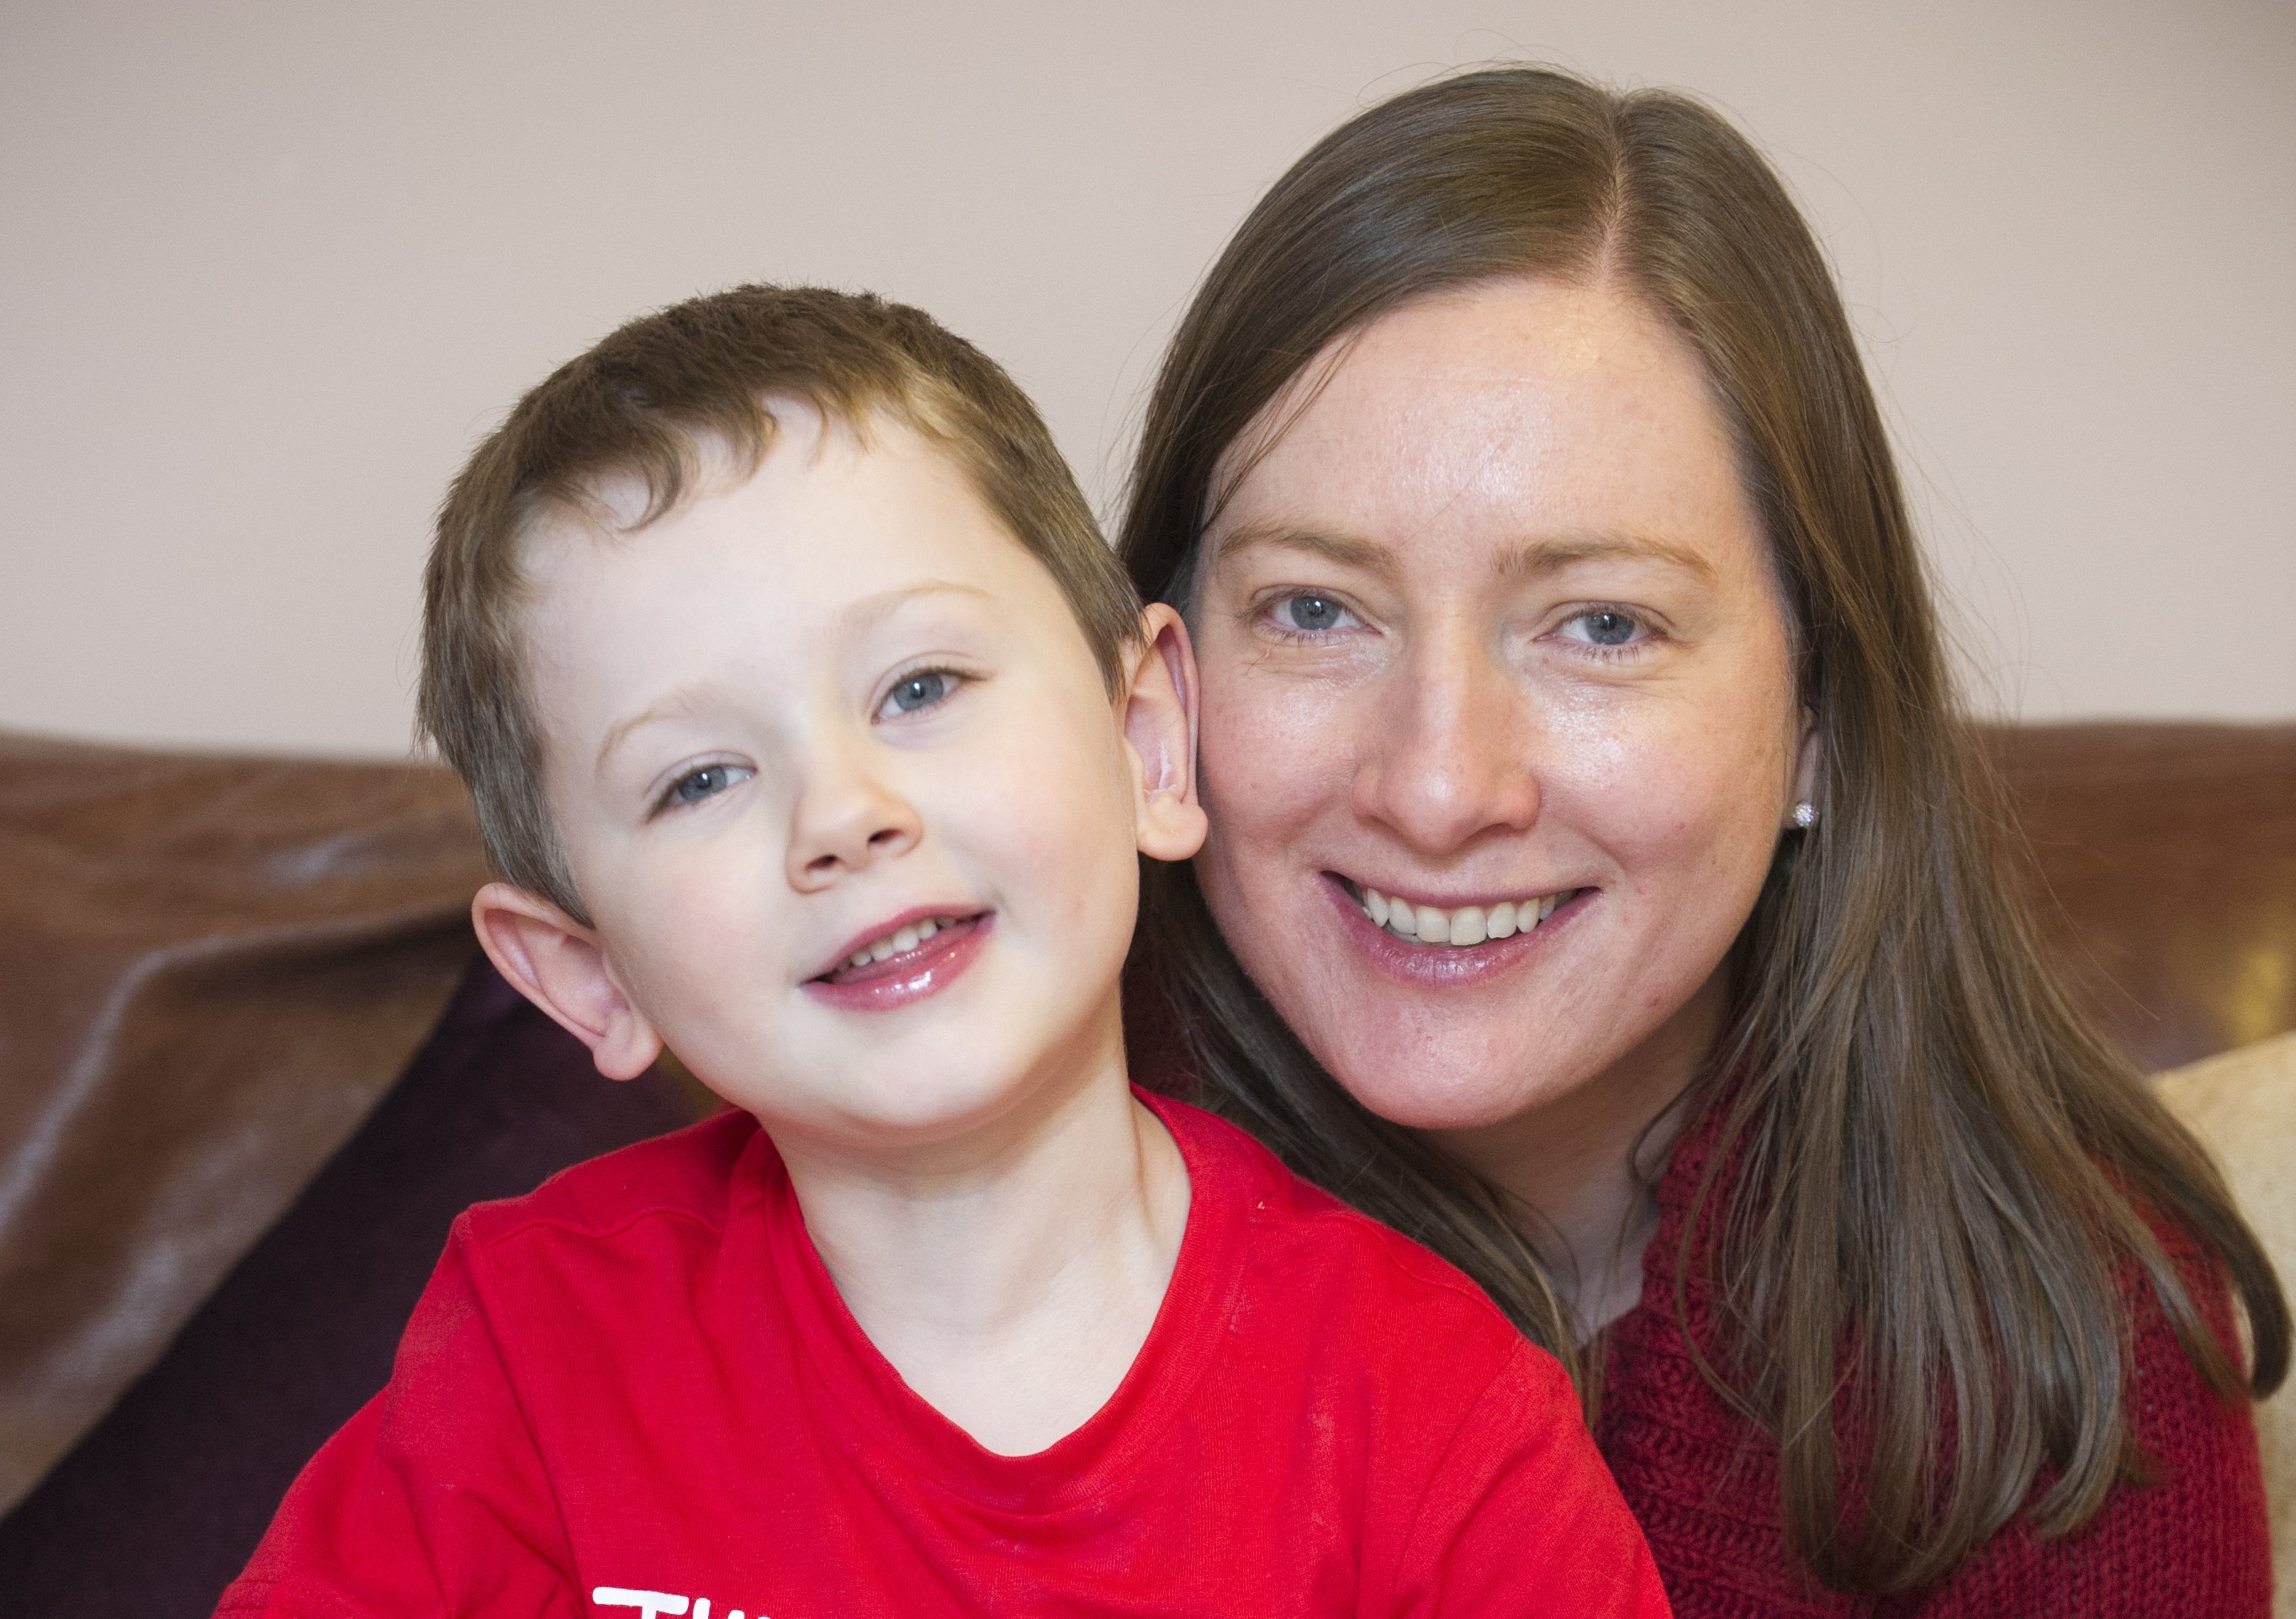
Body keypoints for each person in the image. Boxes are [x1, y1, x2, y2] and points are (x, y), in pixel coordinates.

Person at [216, 285, 1672, 1617]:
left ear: (1146, 742)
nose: (842, 816)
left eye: (919, 686)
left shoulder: (1436, 1424)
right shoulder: (537, 1355)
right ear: (588, 975)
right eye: (700, 779)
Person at [1117, 66, 2288, 1616]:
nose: (1439, 784)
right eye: (1315, 609)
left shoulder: (2061, 1361)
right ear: (1162, 684)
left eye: (1601, 623)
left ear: (1815, 713)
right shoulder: (955, 1161)